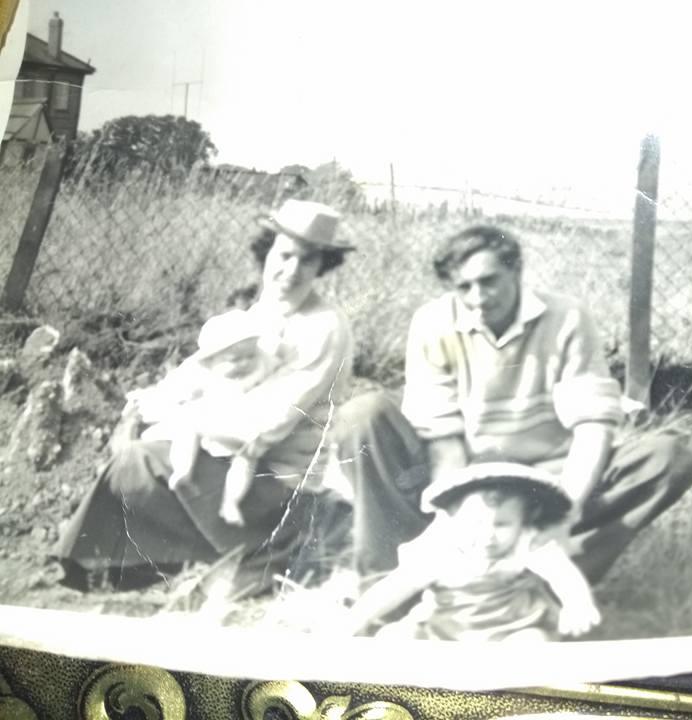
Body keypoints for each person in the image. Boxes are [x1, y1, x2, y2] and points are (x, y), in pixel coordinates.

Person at [333, 224, 692, 588]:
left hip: (547, 479)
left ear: (516, 271)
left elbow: (593, 429)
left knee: (666, 458)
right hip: (465, 473)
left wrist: (564, 511)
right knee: (362, 416)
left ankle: (545, 582)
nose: (478, 298)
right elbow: (444, 442)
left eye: (488, 281)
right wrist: (461, 518)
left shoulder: (567, 318)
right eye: (464, 287)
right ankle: (393, 581)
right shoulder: (433, 322)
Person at [54, 199, 356, 598]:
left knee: (141, 459)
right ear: (266, 251)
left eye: (307, 261)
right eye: (284, 255)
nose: (291, 271)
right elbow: (203, 369)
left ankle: (255, 552)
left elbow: (264, 423)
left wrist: (174, 421)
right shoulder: (263, 310)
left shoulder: (325, 328)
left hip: (276, 481)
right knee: (139, 436)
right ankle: (140, 559)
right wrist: (152, 404)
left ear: (323, 267)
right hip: (230, 460)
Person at [343, 463, 601, 641]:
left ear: (524, 521)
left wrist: (577, 603)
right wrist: (356, 619)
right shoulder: (441, 549)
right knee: (396, 637)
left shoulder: (526, 543)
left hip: (512, 629)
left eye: (502, 524)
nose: (487, 534)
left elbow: (562, 573)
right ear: (452, 518)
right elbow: (397, 586)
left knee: (532, 644)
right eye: (475, 523)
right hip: (444, 630)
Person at [130, 310, 276, 526]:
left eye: (250, 355)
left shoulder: (261, 366)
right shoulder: (204, 373)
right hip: (208, 422)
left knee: (246, 460)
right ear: (211, 361)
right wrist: (154, 398)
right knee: (187, 427)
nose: (245, 363)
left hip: (238, 431)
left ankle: (231, 502)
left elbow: (274, 372)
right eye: (235, 360)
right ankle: (183, 470)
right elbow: (177, 388)